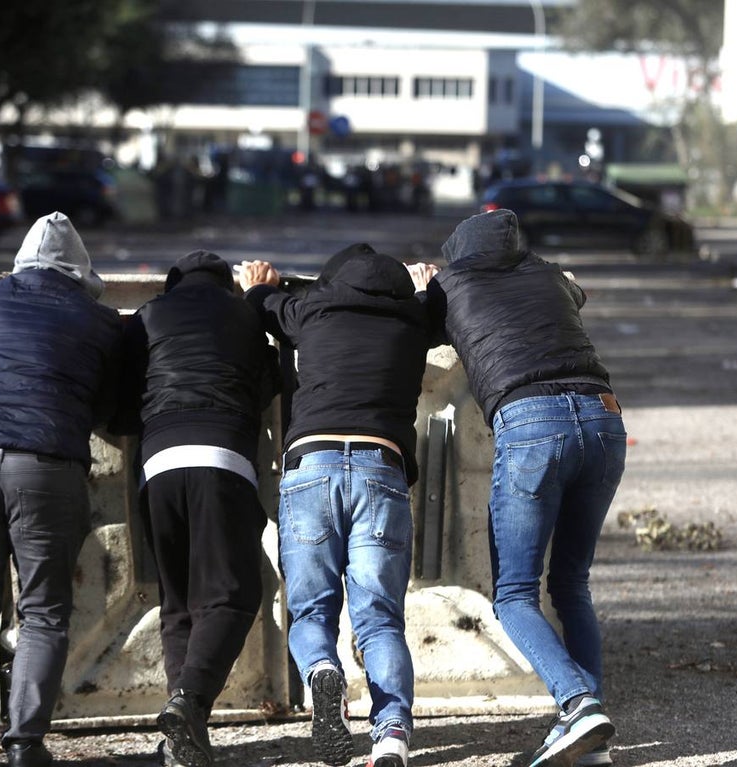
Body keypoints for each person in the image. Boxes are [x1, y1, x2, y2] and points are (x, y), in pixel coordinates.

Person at [421, 209, 625, 767]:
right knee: (571, 582)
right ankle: (590, 739)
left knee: (513, 594)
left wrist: (424, 287)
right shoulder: (547, 275)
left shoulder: (449, 284)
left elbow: (410, 328)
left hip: (533, 424)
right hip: (605, 420)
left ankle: (578, 704)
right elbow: (574, 295)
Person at [0, 212, 123, 767]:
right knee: (43, 611)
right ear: (78, 272)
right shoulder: (100, 321)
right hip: (46, 468)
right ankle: (23, 744)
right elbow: (110, 406)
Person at [239, 244, 430, 767]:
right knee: (381, 620)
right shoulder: (413, 317)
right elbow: (448, 311)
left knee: (312, 609)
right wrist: (425, 286)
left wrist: (260, 284)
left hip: (311, 466)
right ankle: (391, 736)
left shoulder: (310, 311)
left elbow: (263, 303)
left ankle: (322, 671)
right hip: (380, 466)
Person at [108, 251, 281, 767]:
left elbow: (121, 399)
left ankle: (182, 738)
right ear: (227, 284)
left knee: (179, 601)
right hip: (222, 458)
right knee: (231, 594)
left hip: (158, 463)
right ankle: (189, 703)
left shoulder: (149, 317)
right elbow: (272, 383)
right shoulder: (246, 315)